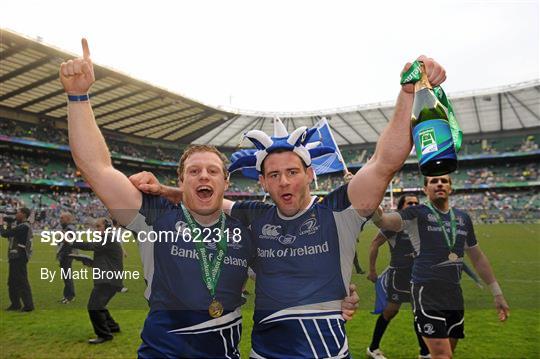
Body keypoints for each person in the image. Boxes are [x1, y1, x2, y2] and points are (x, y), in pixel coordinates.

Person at [130, 55, 448, 357]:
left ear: (309, 173)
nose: (284, 182)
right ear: (263, 182)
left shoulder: (339, 211)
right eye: (274, 175)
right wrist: (163, 189)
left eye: (292, 172)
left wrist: (408, 94)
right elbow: (207, 199)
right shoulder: (253, 215)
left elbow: (384, 163)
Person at [59, 40, 358, 358]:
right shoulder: (154, 217)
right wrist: (78, 96)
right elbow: (97, 168)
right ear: (181, 180)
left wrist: (338, 295)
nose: (203, 176)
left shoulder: (247, 230)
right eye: (194, 171)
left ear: (226, 182)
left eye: (213, 171)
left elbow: (294, 272)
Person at [371, 175, 510, 359]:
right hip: (426, 291)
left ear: (451, 188)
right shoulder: (416, 213)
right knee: (442, 355)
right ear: (425, 189)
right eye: (434, 181)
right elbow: (382, 221)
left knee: (448, 353)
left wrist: (497, 293)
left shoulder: (463, 218)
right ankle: (376, 347)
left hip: (453, 293)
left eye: (444, 181)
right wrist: (366, 193)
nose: (439, 184)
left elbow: (477, 257)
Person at [366, 193, 430, 359]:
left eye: (416, 203)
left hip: (418, 276)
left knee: (419, 313)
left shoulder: (421, 225)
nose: (414, 205)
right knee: (390, 312)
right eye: (410, 203)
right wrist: (372, 270)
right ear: (401, 206)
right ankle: (373, 348)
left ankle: (424, 352)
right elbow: (374, 244)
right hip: (399, 276)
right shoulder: (395, 225)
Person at [71, 217, 123, 344]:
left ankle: (104, 335)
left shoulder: (107, 238)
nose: (95, 230)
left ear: (107, 228)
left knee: (93, 307)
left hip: (107, 280)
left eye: (98, 227)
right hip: (110, 279)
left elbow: (90, 246)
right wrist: (89, 262)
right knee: (99, 305)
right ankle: (113, 327)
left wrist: (71, 241)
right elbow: (105, 260)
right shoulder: (106, 239)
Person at [0, 207, 34, 312]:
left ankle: (28, 305)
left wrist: (1, 224)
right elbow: (10, 234)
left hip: (19, 257)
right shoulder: (22, 226)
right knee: (12, 282)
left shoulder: (24, 226)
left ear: (23, 214)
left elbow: (5, 234)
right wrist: (9, 223)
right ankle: (15, 304)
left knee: (21, 281)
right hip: (15, 256)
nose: (16, 214)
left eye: (18, 212)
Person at [57, 211, 76, 303]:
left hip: (67, 254)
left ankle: (70, 296)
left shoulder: (69, 228)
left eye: (62, 218)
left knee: (67, 276)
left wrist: (62, 236)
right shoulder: (66, 228)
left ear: (67, 219)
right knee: (65, 276)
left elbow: (69, 240)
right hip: (65, 254)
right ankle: (66, 295)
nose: (60, 220)